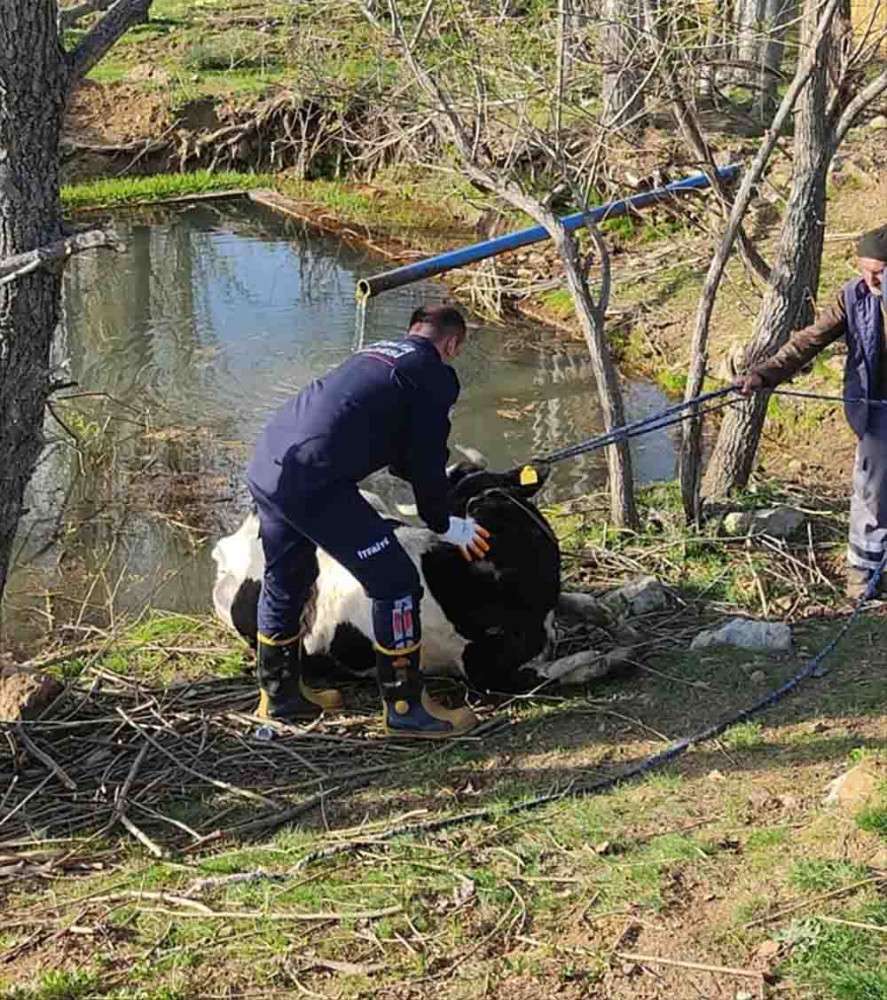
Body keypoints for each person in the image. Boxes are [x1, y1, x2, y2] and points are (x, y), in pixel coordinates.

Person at [246, 305, 491, 738]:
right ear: (452, 344)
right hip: (313, 479)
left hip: (269, 462)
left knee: (288, 573)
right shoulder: (434, 373)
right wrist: (446, 523)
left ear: (413, 329)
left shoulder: (375, 354)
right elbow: (424, 458)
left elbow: (390, 444)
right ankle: (406, 709)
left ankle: (279, 699)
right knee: (395, 581)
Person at [737, 224, 887, 598]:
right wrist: (764, 374)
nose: (873, 278)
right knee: (872, 490)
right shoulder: (852, 297)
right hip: (874, 409)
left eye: (881, 271)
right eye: (866, 269)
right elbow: (809, 341)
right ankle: (864, 571)